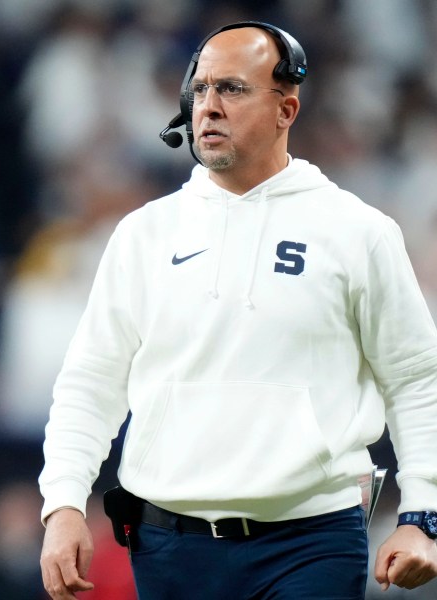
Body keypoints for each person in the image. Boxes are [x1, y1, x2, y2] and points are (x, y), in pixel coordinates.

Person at [38, 21, 437, 599]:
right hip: (168, 545)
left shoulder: (358, 232)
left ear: (287, 109)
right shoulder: (143, 235)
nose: (209, 107)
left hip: (311, 542)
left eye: (232, 89)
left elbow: (416, 379)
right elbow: (90, 382)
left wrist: (423, 512)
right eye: (199, 90)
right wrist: (64, 503)